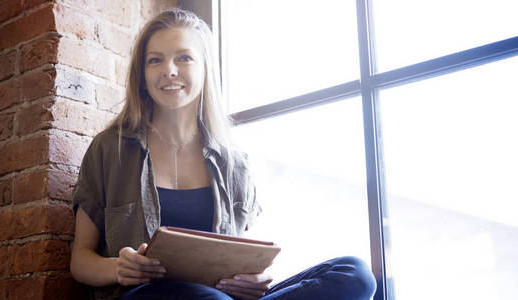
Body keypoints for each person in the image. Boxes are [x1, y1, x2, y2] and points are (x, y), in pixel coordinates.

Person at [70, 8, 376, 300]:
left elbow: (239, 259)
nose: (169, 71)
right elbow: (80, 260)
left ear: (205, 69)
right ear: (142, 74)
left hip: (219, 297)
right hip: (145, 296)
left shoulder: (234, 165)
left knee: (355, 274)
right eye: (155, 61)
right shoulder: (110, 149)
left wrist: (251, 282)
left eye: (184, 58)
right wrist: (118, 268)